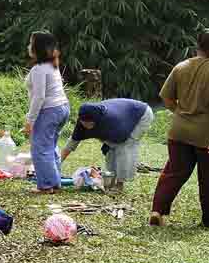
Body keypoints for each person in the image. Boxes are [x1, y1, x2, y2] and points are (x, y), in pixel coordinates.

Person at [150, 28, 209, 228]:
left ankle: (158, 210)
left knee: (174, 172)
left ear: (197, 45)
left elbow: (166, 97)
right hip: (207, 134)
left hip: (178, 131)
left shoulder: (181, 66)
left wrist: (180, 111)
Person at [60, 98, 155, 190]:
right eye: (84, 123)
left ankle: (120, 184)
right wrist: (57, 164)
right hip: (123, 113)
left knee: (125, 147)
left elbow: (121, 142)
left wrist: (108, 143)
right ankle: (110, 181)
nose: (86, 126)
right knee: (110, 149)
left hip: (141, 114)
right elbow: (71, 143)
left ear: (97, 120)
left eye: (90, 123)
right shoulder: (82, 122)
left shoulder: (113, 122)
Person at [24, 30, 71, 194]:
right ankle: (55, 182)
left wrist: (30, 120)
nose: (29, 46)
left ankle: (47, 186)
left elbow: (39, 97)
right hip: (62, 108)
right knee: (50, 146)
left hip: (50, 110)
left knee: (40, 148)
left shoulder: (39, 69)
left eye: (31, 43)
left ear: (38, 47)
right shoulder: (52, 65)